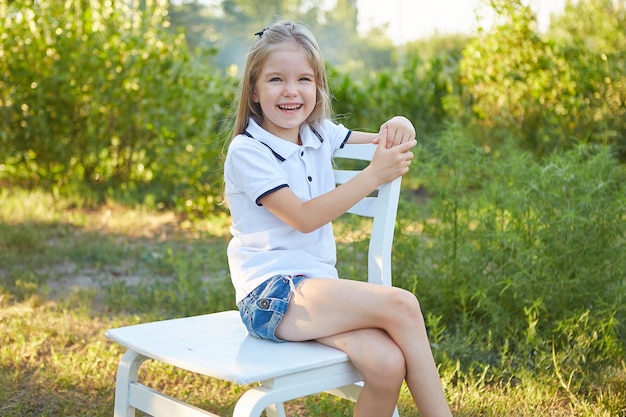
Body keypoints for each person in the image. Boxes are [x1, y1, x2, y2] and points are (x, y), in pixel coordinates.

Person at [224, 20, 452, 417]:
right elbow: (304, 218)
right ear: (255, 92)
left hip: (314, 290)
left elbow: (385, 141)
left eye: (304, 79)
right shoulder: (248, 151)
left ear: (317, 88)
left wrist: (401, 125)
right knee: (402, 304)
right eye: (276, 79)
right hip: (270, 296)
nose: (291, 90)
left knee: (386, 364)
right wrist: (373, 176)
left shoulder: (319, 133)